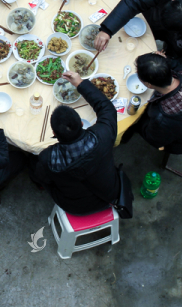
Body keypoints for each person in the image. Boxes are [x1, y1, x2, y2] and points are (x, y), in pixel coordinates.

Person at [28, 72, 119, 215]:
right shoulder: (103, 135)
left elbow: (43, 177)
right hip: (110, 194)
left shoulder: (48, 158)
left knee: (32, 161)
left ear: (54, 133)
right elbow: (106, 108)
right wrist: (80, 84)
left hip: (75, 208)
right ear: (82, 123)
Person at [126, 52, 182, 154]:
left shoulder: (163, 117)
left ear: (148, 85)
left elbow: (153, 139)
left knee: (134, 123)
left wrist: (136, 122)